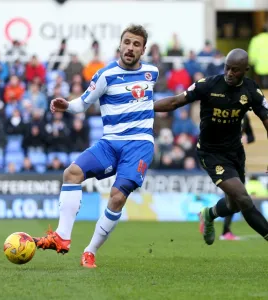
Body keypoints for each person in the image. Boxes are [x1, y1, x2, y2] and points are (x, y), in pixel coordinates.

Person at [33, 25, 158, 267]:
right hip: (110, 143)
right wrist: (66, 105)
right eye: (127, 42)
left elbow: (148, 101)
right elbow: (82, 104)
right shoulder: (105, 75)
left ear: (143, 50)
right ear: (119, 45)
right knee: (71, 173)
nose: (130, 48)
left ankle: (90, 251)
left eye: (136, 44)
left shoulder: (152, 73)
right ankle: (62, 237)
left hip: (139, 144)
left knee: (117, 197)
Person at [154, 48, 268, 245]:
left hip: (235, 153)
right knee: (243, 198)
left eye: (235, 70)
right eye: (227, 68)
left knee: (234, 205)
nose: (230, 73)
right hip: (211, 153)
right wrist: (145, 107)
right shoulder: (208, 85)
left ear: (246, 70)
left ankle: (208, 214)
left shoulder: (251, 91)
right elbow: (175, 101)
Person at [199, 113, 255, 240]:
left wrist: (246, 139)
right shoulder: (222, 115)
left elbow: (252, 136)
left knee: (236, 199)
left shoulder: (244, 117)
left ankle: (212, 217)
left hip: (237, 160)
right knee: (235, 197)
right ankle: (225, 230)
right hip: (221, 161)